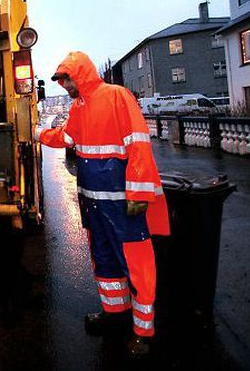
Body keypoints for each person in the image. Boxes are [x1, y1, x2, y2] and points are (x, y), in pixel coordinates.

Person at [36, 51, 170, 358]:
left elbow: (138, 144)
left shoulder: (117, 96)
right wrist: (39, 134)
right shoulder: (79, 107)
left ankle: (144, 332)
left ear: (80, 74)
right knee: (105, 263)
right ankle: (115, 317)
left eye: (67, 78)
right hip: (95, 203)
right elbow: (68, 138)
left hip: (122, 203)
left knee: (136, 266)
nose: (65, 85)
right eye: (61, 80)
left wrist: (138, 193)